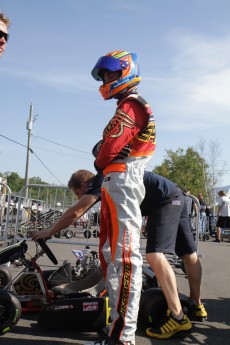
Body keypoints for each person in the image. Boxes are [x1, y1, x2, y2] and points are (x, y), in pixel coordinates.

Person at [31, 169, 207, 340]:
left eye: (78, 193)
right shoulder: (109, 177)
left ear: (85, 184)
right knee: (188, 253)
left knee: (154, 255)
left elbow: (76, 212)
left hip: (165, 200)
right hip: (177, 196)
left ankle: (177, 317)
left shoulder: (101, 179)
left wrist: (49, 231)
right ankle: (196, 304)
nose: (79, 197)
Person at [90, 50, 156, 345]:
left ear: (125, 71)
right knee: (110, 255)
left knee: (125, 258)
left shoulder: (131, 105)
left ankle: (124, 336)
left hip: (122, 180)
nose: (105, 80)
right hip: (114, 181)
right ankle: (117, 326)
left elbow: (107, 149)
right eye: (104, 76)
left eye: (110, 74)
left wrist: (98, 160)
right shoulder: (125, 105)